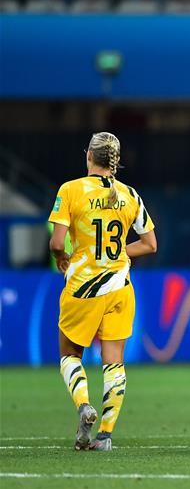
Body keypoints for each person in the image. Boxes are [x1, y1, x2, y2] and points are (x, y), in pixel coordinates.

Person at [50, 132, 157, 451]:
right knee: (114, 363)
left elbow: (57, 242)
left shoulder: (71, 190)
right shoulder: (130, 195)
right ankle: (105, 436)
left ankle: (84, 404)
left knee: (70, 354)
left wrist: (61, 257)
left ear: (89, 157)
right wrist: (118, 254)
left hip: (83, 286)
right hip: (120, 287)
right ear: (116, 161)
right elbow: (150, 244)